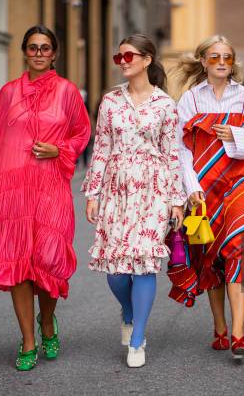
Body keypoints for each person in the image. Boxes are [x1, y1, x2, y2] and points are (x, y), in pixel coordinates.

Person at [0, 25, 90, 370]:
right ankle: (28, 341)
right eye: (32, 47)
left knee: (48, 261)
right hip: (9, 191)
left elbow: (82, 133)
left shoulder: (67, 93)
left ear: (54, 53)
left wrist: (58, 149)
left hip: (50, 188)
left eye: (45, 48)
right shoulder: (6, 94)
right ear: (24, 51)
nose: (38, 53)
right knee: (17, 264)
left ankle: (46, 322)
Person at [81, 34, 186, 368]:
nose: (123, 61)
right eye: (119, 57)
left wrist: (176, 200)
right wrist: (93, 192)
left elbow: (172, 155)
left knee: (143, 263)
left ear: (147, 60)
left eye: (129, 56)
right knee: (115, 271)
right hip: (117, 190)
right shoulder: (110, 103)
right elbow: (100, 150)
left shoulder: (166, 105)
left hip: (153, 192)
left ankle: (138, 338)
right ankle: (127, 312)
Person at [172, 35, 244, 360]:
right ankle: (219, 328)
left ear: (232, 63)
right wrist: (190, 187)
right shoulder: (189, 100)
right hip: (202, 188)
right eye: (213, 56)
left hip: (240, 185)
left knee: (238, 251)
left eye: (226, 57)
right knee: (210, 256)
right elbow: (180, 149)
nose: (220, 62)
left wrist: (237, 136)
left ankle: (239, 334)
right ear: (203, 61)